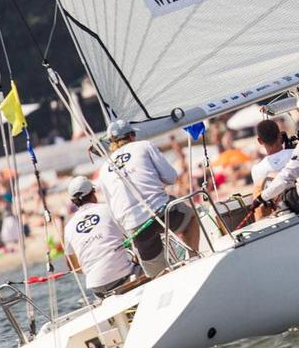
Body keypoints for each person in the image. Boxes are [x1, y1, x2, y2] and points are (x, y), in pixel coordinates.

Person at [98, 119, 199, 278]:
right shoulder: (144, 146)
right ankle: (194, 261)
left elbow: (112, 211)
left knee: (159, 276)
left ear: (111, 143)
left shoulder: (104, 168)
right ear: (131, 135)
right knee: (191, 216)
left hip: (135, 228)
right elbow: (171, 177)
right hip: (163, 214)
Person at [62, 176, 139, 298]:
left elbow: (74, 267)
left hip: (96, 287)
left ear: (73, 202)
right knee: (151, 262)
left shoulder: (68, 227)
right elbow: (135, 236)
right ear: (93, 193)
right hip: (123, 277)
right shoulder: (107, 209)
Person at [249, 119, 293, 219]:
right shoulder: (296, 153)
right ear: (280, 135)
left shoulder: (257, 169)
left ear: (260, 141)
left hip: (280, 215)